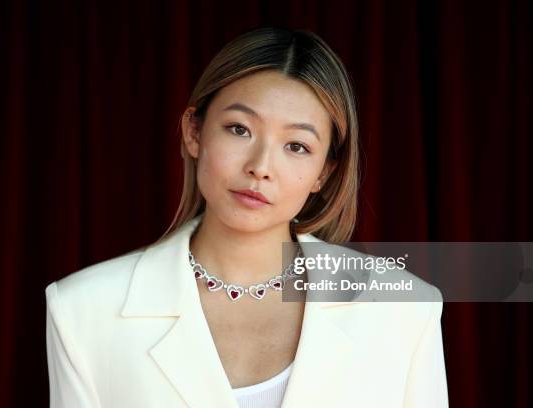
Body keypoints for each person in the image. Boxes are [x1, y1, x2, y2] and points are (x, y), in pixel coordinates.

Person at [45, 26, 449, 407]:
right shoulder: (83, 310)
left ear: (324, 172)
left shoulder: (404, 311)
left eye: (296, 146)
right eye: (239, 129)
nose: (261, 166)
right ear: (195, 131)